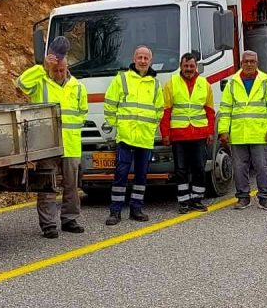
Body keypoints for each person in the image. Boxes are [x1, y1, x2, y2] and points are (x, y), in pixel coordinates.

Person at [15, 36, 89, 238]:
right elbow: (21, 82)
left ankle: (70, 219)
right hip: (47, 144)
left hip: (71, 145)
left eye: (61, 70)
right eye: (55, 70)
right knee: (47, 185)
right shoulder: (40, 82)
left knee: (71, 185)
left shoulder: (78, 87)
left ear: (67, 68)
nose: (58, 74)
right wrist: (42, 67)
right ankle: (48, 225)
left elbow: (82, 112)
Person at [104, 45, 164, 225]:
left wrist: (151, 128)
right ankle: (115, 211)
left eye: (146, 58)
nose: (143, 61)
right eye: (140, 57)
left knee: (141, 177)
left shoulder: (155, 84)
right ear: (134, 58)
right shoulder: (121, 78)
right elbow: (109, 104)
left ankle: (136, 209)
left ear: (150, 61)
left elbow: (159, 110)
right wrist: (119, 126)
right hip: (126, 137)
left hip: (145, 138)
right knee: (120, 174)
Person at [218, 50, 267, 210]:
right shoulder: (232, 83)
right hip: (239, 134)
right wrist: (223, 130)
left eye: (252, 61)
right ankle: (243, 197)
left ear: (257, 63)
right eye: (246, 61)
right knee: (239, 168)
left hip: (260, 134)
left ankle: (264, 198)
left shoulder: (266, 82)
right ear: (241, 63)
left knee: (262, 167)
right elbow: (225, 109)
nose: (249, 64)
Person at [161, 52, 215, 213]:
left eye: (192, 66)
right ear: (181, 66)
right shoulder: (171, 83)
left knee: (199, 168)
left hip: (199, 133)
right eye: (186, 66)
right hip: (179, 134)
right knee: (181, 169)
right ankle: (183, 202)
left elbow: (210, 110)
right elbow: (166, 111)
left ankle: (197, 200)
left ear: (196, 66)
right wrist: (165, 134)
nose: (189, 69)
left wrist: (210, 132)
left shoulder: (204, 83)